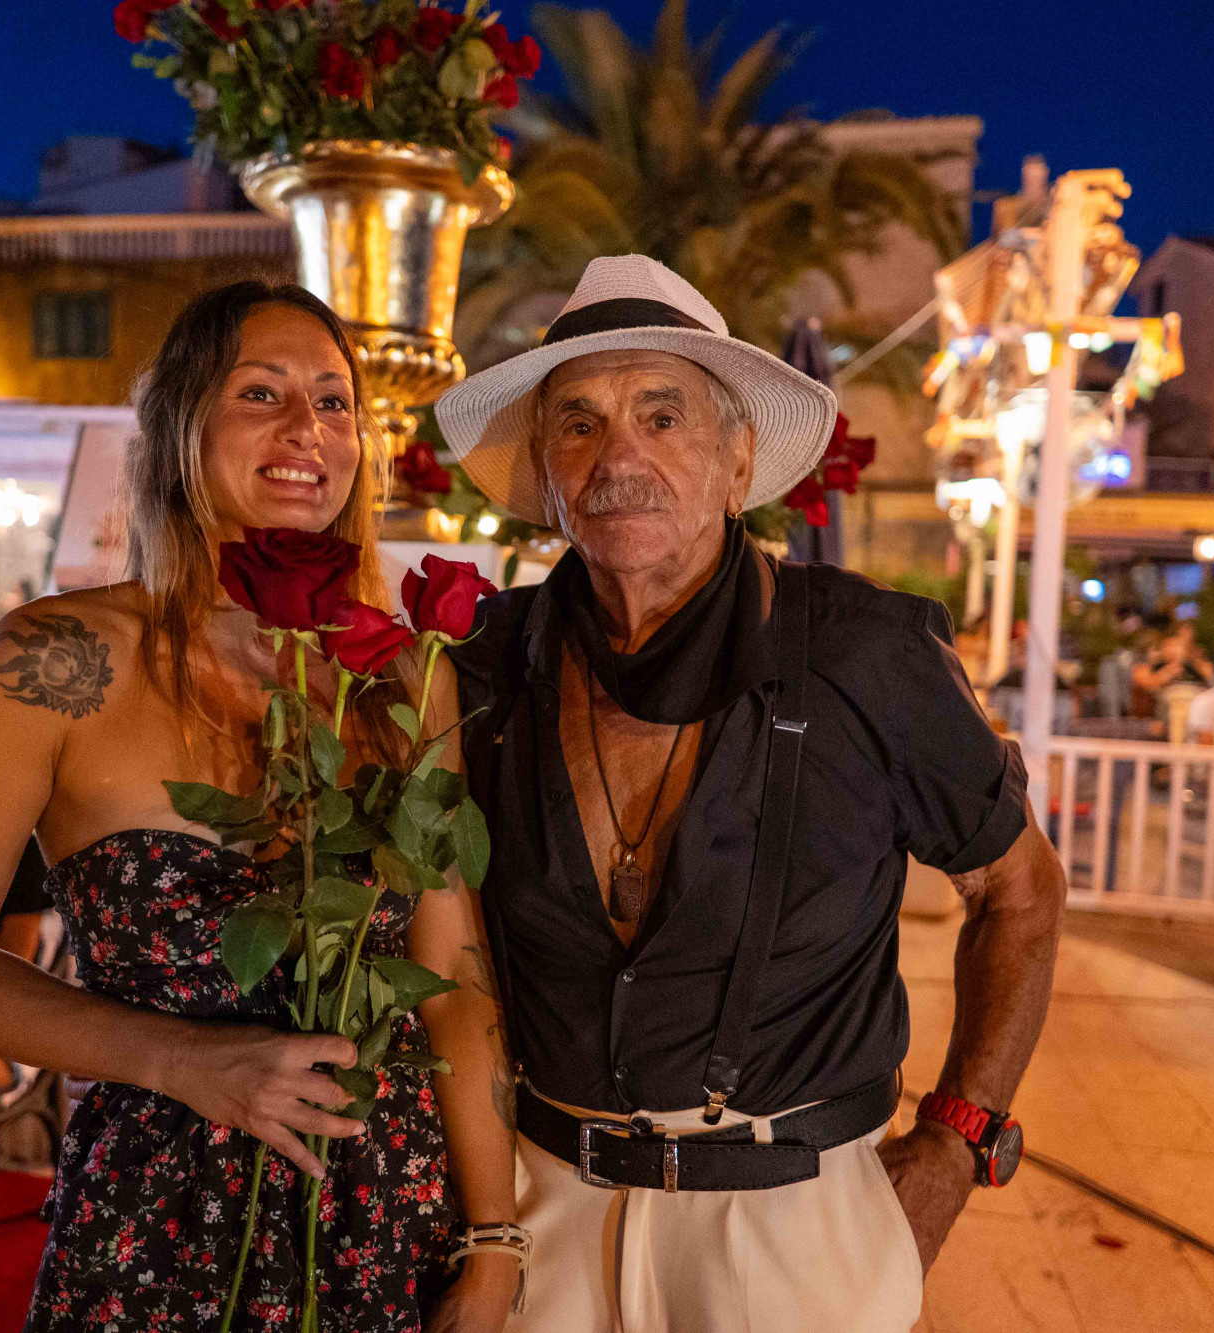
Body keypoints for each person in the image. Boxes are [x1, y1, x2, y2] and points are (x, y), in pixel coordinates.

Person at [0, 281, 519, 1331]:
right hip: (158, 1222)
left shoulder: (402, 678)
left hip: (387, 1220)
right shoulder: (57, 658)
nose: (307, 427)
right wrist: (181, 1059)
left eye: (335, 401)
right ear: (180, 424)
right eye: (261, 392)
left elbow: (452, 982)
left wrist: (492, 1240)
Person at [436, 255, 1065, 1332]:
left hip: (792, 1228)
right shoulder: (484, 668)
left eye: (662, 416)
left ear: (737, 463)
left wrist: (956, 1143)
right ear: (545, 471)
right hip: (542, 1219)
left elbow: (1020, 891)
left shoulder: (865, 653)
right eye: (579, 423)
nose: (618, 456)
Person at [1129, 620, 1212, 717]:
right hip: (1172, 705)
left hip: (1196, 701)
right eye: (1176, 644)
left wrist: (1193, 661)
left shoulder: (1196, 662)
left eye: (1187, 642)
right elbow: (1148, 683)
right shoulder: (1157, 665)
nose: (1181, 647)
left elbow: (1210, 676)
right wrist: (1175, 665)